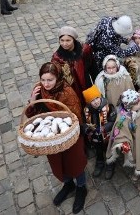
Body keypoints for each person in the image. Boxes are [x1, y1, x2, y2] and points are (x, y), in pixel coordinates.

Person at [26, 63, 87, 213]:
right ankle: (68, 184)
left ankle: (81, 187)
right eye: (43, 79)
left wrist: (63, 128)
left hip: (71, 135)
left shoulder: (66, 92)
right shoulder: (40, 91)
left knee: (75, 163)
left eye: (50, 80)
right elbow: (32, 115)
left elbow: (76, 116)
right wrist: (33, 99)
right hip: (50, 138)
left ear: (57, 78)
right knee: (58, 162)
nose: (46, 84)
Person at [106, 89, 140, 181]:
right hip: (133, 142)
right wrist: (122, 143)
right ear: (129, 107)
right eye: (137, 103)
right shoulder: (123, 117)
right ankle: (137, 170)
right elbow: (120, 130)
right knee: (135, 156)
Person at [51, 26, 95, 107]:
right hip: (72, 88)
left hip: (86, 83)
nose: (64, 44)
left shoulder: (85, 50)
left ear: (74, 40)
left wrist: (96, 83)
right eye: (62, 40)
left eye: (68, 40)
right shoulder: (57, 57)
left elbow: (93, 67)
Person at [82, 85, 116, 178]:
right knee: (98, 150)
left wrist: (104, 128)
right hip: (94, 137)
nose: (96, 101)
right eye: (92, 100)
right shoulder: (86, 111)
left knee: (108, 150)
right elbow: (84, 122)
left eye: (97, 98)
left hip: (106, 136)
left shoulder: (109, 107)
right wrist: (87, 129)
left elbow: (113, 121)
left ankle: (110, 163)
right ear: (89, 102)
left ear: (100, 97)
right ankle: (100, 162)